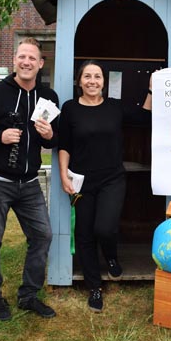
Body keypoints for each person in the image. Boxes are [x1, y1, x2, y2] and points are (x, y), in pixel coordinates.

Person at [0, 37, 59, 321]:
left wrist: (49, 136)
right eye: (22, 57)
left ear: (41, 63)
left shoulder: (49, 98)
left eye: (32, 58)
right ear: (15, 60)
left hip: (29, 182)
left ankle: (28, 295)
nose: (27, 62)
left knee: (42, 234)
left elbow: (54, 141)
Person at [58, 60, 152, 313]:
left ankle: (111, 256)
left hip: (112, 179)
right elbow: (64, 144)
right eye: (87, 76)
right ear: (79, 81)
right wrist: (64, 176)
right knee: (84, 234)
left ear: (103, 81)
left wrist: (152, 90)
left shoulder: (114, 107)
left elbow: (144, 117)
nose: (92, 81)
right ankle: (94, 287)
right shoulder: (69, 109)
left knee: (105, 228)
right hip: (81, 181)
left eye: (97, 76)